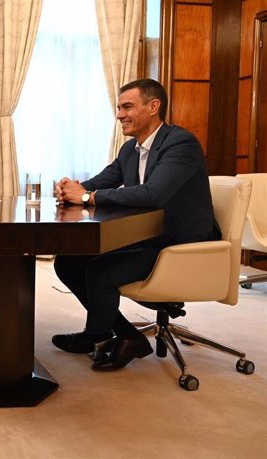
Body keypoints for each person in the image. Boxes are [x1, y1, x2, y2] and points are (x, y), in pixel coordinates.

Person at [52, 78, 220, 371]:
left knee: (100, 271)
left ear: (154, 107)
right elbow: (99, 183)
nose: (119, 115)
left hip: (180, 244)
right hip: (147, 238)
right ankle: (123, 336)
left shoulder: (180, 143)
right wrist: (70, 188)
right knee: (67, 262)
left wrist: (87, 196)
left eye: (127, 106)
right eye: (118, 108)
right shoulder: (130, 150)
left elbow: (154, 194)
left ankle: (98, 336)